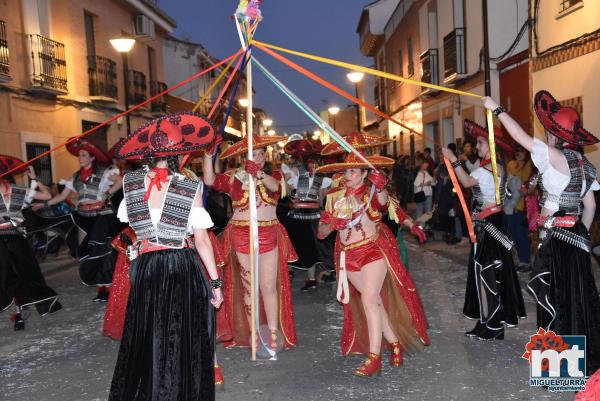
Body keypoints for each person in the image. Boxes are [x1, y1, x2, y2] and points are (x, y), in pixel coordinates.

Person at [483, 91, 600, 374]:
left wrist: (497, 109)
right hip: (577, 239)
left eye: (549, 132)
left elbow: (519, 136)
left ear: (556, 136)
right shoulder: (587, 166)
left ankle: (560, 370)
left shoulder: (553, 157)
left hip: (557, 241)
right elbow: (591, 205)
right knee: (579, 297)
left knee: (556, 300)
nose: (545, 136)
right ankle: (580, 365)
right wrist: (581, 236)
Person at [108, 112, 223, 401]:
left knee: (147, 334)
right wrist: (216, 283)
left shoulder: (130, 182)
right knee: (181, 337)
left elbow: (133, 227)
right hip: (180, 265)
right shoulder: (189, 186)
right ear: (179, 153)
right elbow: (202, 241)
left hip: (146, 266)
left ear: (148, 153)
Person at [316, 146, 429, 377]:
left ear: (365, 174)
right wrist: (331, 225)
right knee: (374, 303)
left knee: (369, 300)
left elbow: (385, 203)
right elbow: (321, 232)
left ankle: (374, 357)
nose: (348, 176)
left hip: (371, 252)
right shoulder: (336, 196)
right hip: (348, 256)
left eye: (354, 172)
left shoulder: (371, 193)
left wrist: (381, 187)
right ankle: (395, 343)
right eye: (346, 172)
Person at [203, 134, 298, 355]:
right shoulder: (234, 177)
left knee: (268, 286)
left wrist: (259, 173)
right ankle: (255, 333)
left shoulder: (273, 174)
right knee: (250, 288)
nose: (258, 157)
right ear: (242, 158)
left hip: (268, 233)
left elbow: (275, 187)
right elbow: (209, 181)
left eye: (261, 153)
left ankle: (273, 334)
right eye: (253, 154)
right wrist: (208, 156)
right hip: (241, 233)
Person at [442, 119, 526, 340]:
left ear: (492, 145)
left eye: (480, 143)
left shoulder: (491, 168)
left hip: (490, 226)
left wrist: (452, 160)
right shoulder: (489, 167)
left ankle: (494, 323)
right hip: (486, 226)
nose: (476, 147)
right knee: (481, 272)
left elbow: (467, 182)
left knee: (489, 273)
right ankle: (486, 319)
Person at [37, 138, 123, 301]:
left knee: (103, 253)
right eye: (79, 155)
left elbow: (120, 181)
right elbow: (62, 196)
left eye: (84, 155)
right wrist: (43, 204)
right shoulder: (75, 177)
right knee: (84, 252)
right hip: (83, 217)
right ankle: (99, 285)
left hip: (100, 218)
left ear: (91, 158)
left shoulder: (104, 173)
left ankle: (105, 289)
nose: (80, 158)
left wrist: (105, 194)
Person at [0, 158, 62, 330]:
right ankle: (18, 311)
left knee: (21, 276)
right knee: (10, 278)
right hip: (7, 241)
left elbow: (48, 196)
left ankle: (19, 312)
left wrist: (34, 180)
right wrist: (33, 180)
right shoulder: (20, 190)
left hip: (16, 239)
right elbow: (47, 195)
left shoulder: (20, 190)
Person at [283, 138, 333, 291]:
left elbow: (289, 194)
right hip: (314, 214)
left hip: (297, 214)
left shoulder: (292, 172)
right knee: (312, 246)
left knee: (295, 245)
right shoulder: (322, 175)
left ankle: (290, 272)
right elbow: (322, 197)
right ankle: (310, 278)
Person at [504, 147, 533, 272]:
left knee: (521, 235)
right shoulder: (510, 164)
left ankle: (526, 261)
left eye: (521, 151)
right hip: (509, 205)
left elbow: (527, 186)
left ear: (526, 152)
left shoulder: (530, 166)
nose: (518, 153)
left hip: (523, 206)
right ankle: (520, 260)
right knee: (514, 235)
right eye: (517, 150)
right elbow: (506, 181)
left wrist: (518, 184)